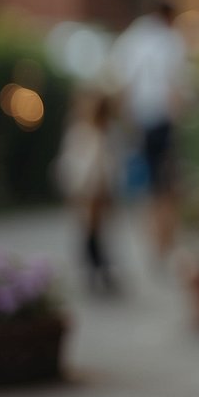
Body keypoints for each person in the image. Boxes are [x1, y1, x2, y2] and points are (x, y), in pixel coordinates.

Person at [110, 0, 191, 263]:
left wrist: (126, 121)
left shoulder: (132, 39)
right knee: (168, 186)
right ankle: (165, 243)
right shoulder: (170, 41)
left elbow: (122, 85)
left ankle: (154, 244)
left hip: (141, 122)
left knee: (150, 186)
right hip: (163, 121)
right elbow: (175, 86)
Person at [54, 87, 119, 293]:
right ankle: (97, 272)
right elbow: (70, 164)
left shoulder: (102, 132)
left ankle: (101, 272)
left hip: (97, 190)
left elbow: (107, 165)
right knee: (88, 232)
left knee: (97, 232)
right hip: (83, 189)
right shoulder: (79, 132)